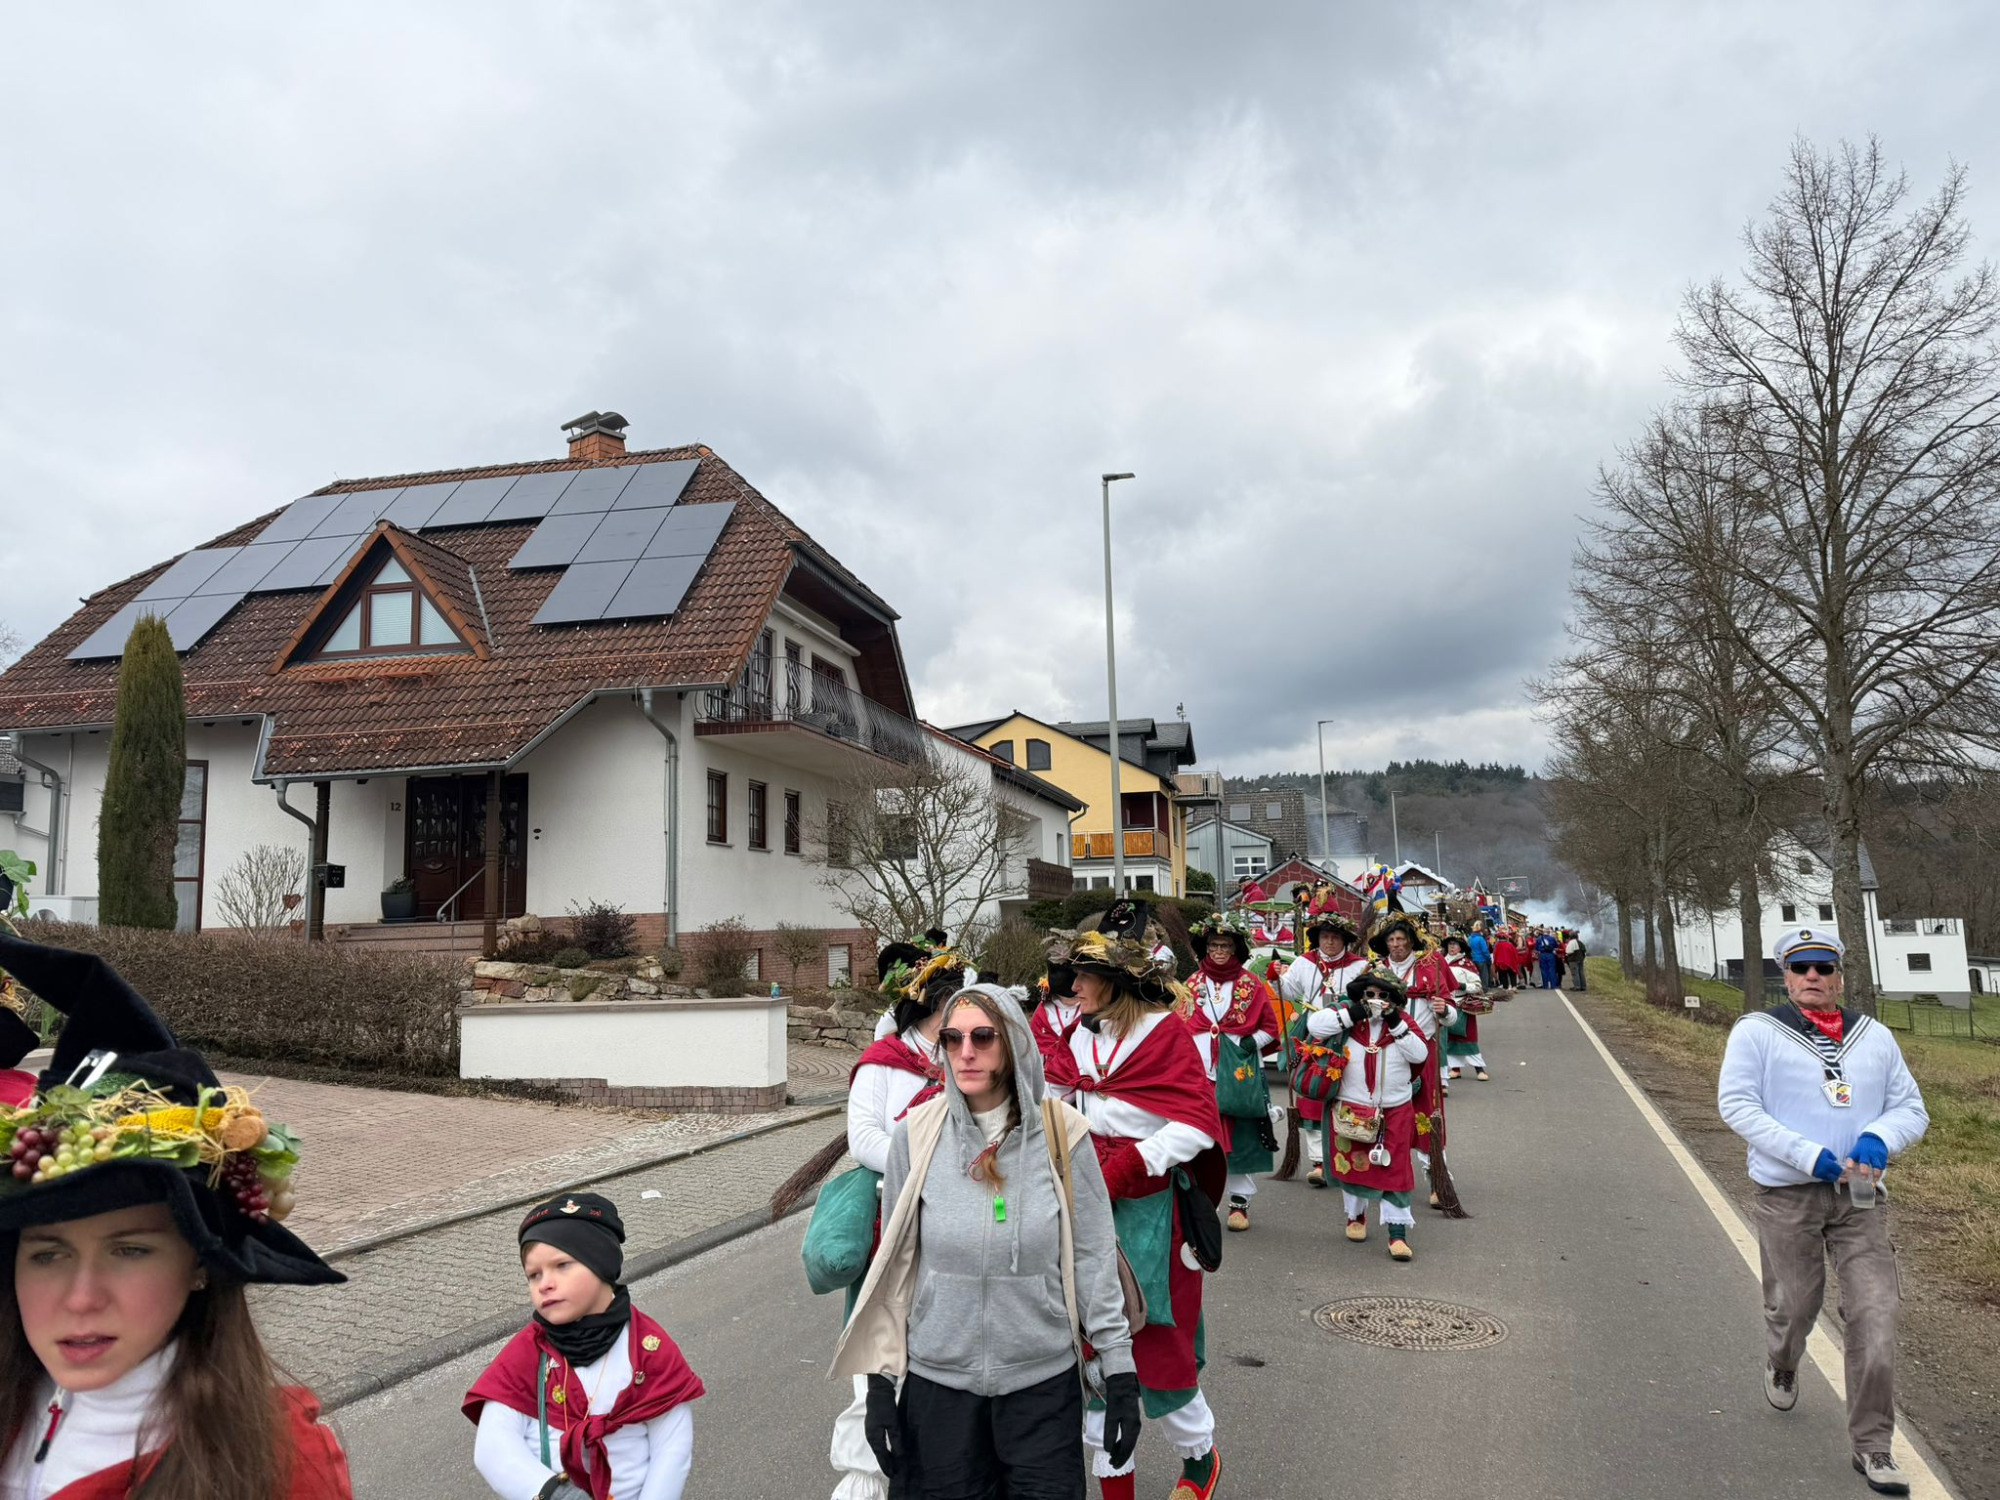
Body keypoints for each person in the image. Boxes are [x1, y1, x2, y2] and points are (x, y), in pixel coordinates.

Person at [0, 925, 352, 1500]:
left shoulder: (277, 1467)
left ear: (199, 1263)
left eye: (129, 1249)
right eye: (47, 1254)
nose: (81, 1298)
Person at [835, 984, 1139, 1500]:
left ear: (1013, 1043)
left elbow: (1092, 1255)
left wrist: (1120, 1368)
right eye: (952, 1039)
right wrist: (880, 1384)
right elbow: (896, 1265)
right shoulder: (916, 1135)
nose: (965, 1052)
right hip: (939, 1389)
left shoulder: (1064, 1135)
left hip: (1041, 1387)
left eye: (982, 1037)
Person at [1717, 926, 1929, 1497]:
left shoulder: (1874, 1036)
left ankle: (1873, 1445)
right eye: (1802, 968)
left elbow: (1911, 1108)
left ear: (1840, 976)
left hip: (1861, 1198)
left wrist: (1880, 1138)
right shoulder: (1757, 1031)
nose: (1813, 976)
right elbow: (1737, 1104)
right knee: (1794, 1304)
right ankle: (1783, 1359)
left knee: (1875, 1314)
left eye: (1824, 968)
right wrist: (1807, 1154)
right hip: (1788, 1193)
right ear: (1786, 976)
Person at [1050, 904, 1227, 1500]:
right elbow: (1053, 1098)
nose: (1073, 987)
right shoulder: (1079, 1033)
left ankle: (1199, 1456)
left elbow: (1197, 1124)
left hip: (1149, 1208)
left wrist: (1130, 1164)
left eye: (1084, 976)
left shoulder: (1164, 1033)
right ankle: (1115, 1487)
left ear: (1115, 982)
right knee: (1093, 1343)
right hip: (1085, 1197)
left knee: (1155, 1338)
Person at [817, 945, 958, 1500]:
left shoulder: (968, 1056)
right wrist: (927, 1163)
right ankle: (864, 1479)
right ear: (927, 1008)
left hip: (953, 1219)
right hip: (893, 1218)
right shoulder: (883, 1062)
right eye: (951, 1006)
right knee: (876, 1359)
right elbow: (864, 1141)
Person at [465, 1193, 704, 1500]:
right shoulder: (528, 1352)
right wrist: (557, 1494)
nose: (544, 1284)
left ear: (600, 1262)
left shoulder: (646, 1347)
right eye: (534, 1275)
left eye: (562, 1265)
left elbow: (671, 1447)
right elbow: (493, 1446)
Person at [1305, 968, 1432, 1259]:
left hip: (1394, 1108)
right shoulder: (1347, 1015)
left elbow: (1420, 1055)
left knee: (1395, 1170)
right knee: (1353, 1166)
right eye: (1370, 994)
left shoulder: (1403, 1021)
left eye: (1383, 995)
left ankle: (1397, 1234)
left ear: (1394, 999)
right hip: (1351, 1108)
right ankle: (1356, 1217)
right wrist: (1354, 1013)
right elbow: (1315, 1026)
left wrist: (1394, 1022)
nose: (1376, 999)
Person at [1185, 913, 1280, 1232]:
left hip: (1238, 1073)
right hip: (1199, 1072)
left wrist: (1249, 1043)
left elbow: (1270, 1028)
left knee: (1240, 1137)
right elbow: (1179, 1023)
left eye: (1225, 945)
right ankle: (1201, 1200)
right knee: (1199, 1136)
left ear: (1235, 948)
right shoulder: (1192, 983)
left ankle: (1239, 1202)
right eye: (1213, 945)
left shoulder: (1251, 984)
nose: (1218, 950)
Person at [1367, 911, 1463, 1211]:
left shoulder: (1431, 966)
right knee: (1383, 1113)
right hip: (1385, 1054)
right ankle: (1381, 1171)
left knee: (1427, 1114)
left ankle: (1436, 1176)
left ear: (1411, 941)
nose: (1397, 945)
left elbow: (1452, 1014)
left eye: (1402, 939)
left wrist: (1444, 1009)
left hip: (1423, 1053)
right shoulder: (1376, 971)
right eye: (1392, 940)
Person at [1279, 910, 1371, 1189]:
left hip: (1350, 1036)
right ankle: (1319, 1162)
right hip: (1314, 1036)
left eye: (1335, 937)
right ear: (1317, 939)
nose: (1329, 942)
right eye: (1324, 937)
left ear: (1345, 940)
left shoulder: (1360, 967)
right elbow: (1288, 991)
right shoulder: (1304, 963)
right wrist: (1276, 979)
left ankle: (1345, 1157)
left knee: (1348, 1092)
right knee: (1313, 1092)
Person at [1440, 935, 1491, 1082]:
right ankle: (1455, 1069)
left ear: (1461, 947)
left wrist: (1461, 986)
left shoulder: (1467, 964)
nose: (1452, 947)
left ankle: (1479, 1069)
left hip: (1463, 1004)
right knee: (1449, 1038)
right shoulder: (1441, 962)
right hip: (1446, 1004)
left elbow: (1477, 986)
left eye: (1455, 944)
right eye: (1450, 944)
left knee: (1467, 1037)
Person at [1491, 928, 1520, 992]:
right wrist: (1515, 961)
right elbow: (1515, 953)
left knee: (1503, 975)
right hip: (1510, 962)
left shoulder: (1497, 945)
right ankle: (1514, 986)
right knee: (1512, 974)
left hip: (1501, 962)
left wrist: (1495, 962)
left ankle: (1505, 987)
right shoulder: (1510, 945)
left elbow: (1495, 954)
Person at [1467, 926, 1494, 992]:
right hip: (1481, 959)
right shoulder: (1480, 939)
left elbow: (1468, 948)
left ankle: (1477, 988)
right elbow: (1485, 950)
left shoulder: (1469, 938)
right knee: (1484, 975)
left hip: (1473, 959)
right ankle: (1484, 989)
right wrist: (1488, 959)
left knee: (1476, 975)